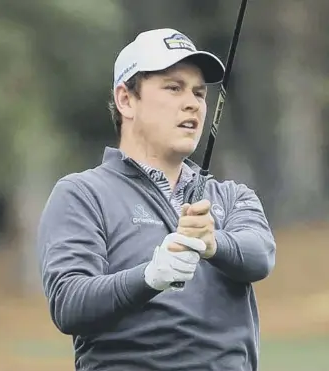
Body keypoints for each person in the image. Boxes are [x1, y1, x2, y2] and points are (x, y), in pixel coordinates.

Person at [37, 28, 276, 371]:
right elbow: (70, 303)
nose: (192, 103)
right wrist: (149, 276)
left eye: (199, 93)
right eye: (173, 88)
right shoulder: (81, 194)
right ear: (126, 100)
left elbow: (260, 256)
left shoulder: (231, 196)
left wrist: (213, 243)